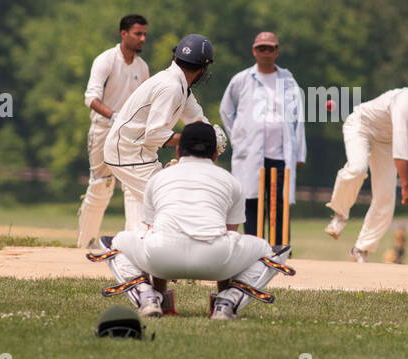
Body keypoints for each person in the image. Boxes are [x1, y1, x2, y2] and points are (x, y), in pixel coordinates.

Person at [98, 122, 291, 321]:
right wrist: (221, 288)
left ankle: (148, 297)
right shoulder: (231, 181)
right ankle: (227, 302)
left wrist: (164, 299)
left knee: (114, 243)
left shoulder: (158, 179)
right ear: (215, 153)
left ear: (178, 150)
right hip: (216, 260)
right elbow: (228, 235)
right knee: (270, 251)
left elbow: (153, 231)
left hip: (161, 258)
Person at [324, 67, 408, 262]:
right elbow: (401, 149)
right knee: (357, 169)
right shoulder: (407, 102)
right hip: (361, 127)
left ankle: (360, 249)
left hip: (385, 141)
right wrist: (406, 187)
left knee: (385, 198)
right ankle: (340, 213)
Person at [103, 34, 226, 232]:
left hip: (137, 152)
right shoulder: (171, 87)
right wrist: (193, 141)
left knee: (152, 205)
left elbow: (198, 120)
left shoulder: (180, 87)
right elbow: (154, 134)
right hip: (128, 152)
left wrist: (209, 134)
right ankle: (138, 249)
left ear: (176, 58)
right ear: (202, 68)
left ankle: (132, 244)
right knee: (169, 202)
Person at [220, 31, 306, 244]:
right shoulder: (241, 79)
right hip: (250, 153)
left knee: (279, 205)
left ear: (276, 51)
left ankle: (279, 251)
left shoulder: (287, 79)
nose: (266, 53)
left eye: (270, 48)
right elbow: (226, 111)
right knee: (251, 202)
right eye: (261, 49)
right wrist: (237, 139)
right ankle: (253, 250)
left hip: (280, 154)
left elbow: (298, 117)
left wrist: (299, 153)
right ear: (254, 51)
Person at [77, 14, 151, 249]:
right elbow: (91, 98)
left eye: (144, 34)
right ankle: (85, 242)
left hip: (129, 134)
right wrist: (114, 116)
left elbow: (144, 103)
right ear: (123, 34)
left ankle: (133, 243)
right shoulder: (106, 60)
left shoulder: (142, 67)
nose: (142, 38)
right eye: (137, 34)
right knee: (102, 184)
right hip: (103, 128)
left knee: (133, 184)